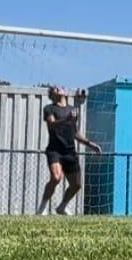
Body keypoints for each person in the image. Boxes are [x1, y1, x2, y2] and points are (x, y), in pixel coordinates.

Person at [37, 86, 101, 215]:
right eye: (55, 89)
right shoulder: (49, 109)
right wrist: (66, 119)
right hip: (55, 150)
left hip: (70, 152)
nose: (59, 88)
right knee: (56, 178)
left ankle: (62, 207)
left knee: (76, 185)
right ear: (52, 95)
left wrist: (90, 144)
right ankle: (41, 209)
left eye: (60, 87)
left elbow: (75, 132)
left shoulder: (73, 110)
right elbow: (52, 125)